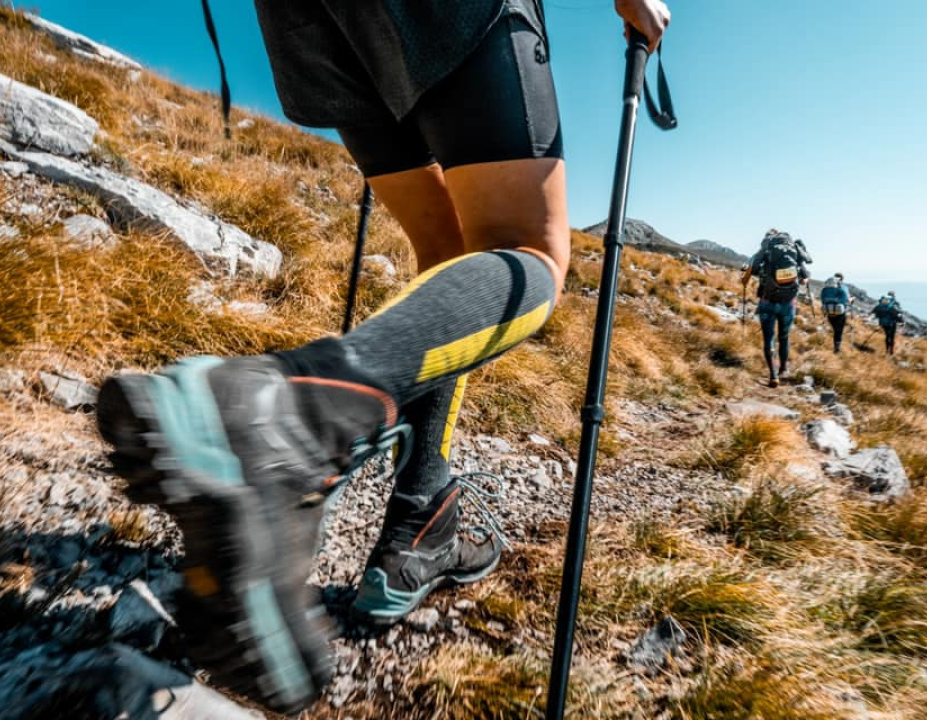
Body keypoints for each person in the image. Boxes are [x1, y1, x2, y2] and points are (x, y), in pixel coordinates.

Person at [95, 0, 671, 712]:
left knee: (448, 251)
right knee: (528, 250)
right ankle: (285, 416)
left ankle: (418, 522)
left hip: (311, 22)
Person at [742, 230, 811, 387]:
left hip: (768, 301)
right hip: (788, 303)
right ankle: (784, 368)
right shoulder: (793, 249)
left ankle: (773, 375)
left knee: (769, 338)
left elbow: (750, 268)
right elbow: (805, 277)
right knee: (784, 337)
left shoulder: (766, 249)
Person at [820, 273, 850, 353]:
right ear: (842, 279)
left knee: (835, 330)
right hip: (840, 314)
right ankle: (837, 349)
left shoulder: (824, 289)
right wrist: (851, 300)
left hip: (829, 312)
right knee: (839, 331)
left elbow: (822, 300)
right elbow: (847, 301)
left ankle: (836, 346)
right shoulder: (844, 288)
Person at [872, 291, 904, 355]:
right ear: (894, 296)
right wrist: (901, 321)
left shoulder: (883, 302)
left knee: (887, 336)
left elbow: (875, 311)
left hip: (883, 323)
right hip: (892, 323)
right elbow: (898, 313)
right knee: (892, 337)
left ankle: (887, 350)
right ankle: (891, 351)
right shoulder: (894, 303)